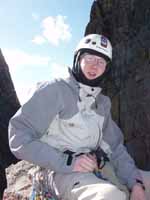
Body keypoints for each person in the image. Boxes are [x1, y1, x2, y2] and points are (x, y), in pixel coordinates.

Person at [9, 34, 146, 200]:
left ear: (106, 69)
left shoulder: (102, 104)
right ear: (78, 59)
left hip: (96, 165)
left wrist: (136, 183)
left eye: (101, 62)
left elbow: (116, 148)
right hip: (58, 170)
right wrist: (68, 162)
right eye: (89, 58)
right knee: (110, 196)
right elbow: (18, 137)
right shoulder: (55, 90)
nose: (94, 65)